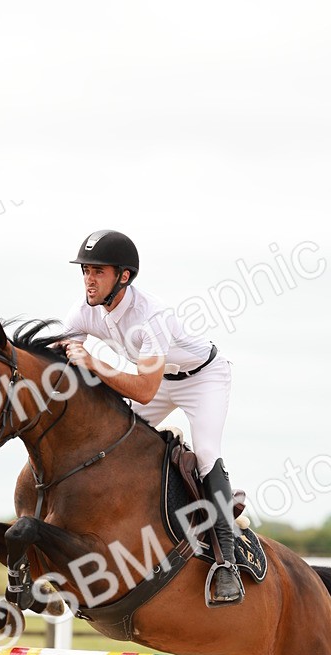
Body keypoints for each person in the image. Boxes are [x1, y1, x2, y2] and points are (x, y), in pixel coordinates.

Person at [61, 229, 243, 605]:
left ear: (123, 277)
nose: (88, 280)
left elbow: (144, 389)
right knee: (116, 437)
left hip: (202, 378)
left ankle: (228, 560)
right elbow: (57, 344)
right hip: (158, 379)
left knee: (207, 452)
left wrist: (93, 361)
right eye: (85, 271)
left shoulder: (153, 316)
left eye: (98, 272)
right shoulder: (85, 311)